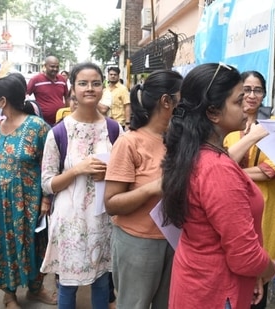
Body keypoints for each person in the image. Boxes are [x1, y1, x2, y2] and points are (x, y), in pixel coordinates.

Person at [161, 63, 275, 309]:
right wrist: (269, 268)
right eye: (237, 101)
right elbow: (244, 255)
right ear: (213, 112)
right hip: (216, 289)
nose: (246, 105)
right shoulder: (216, 169)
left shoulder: (194, 153)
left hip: (197, 279)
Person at [0, 73, 56, 308]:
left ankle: (35, 289)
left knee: (33, 245)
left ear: (4, 100)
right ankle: (9, 295)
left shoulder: (37, 128)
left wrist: (46, 200)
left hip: (27, 201)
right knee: (1, 245)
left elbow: (49, 166)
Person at [104, 69, 183, 309]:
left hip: (175, 239)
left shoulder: (179, 139)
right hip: (138, 243)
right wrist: (154, 188)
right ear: (166, 101)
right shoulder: (130, 143)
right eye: (183, 98)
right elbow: (111, 203)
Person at [41, 62, 117, 309]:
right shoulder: (59, 132)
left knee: (102, 280)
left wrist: (108, 173)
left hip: (103, 217)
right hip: (70, 220)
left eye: (96, 83)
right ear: (72, 88)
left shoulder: (114, 129)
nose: (90, 88)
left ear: (102, 86)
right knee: (67, 283)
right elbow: (47, 184)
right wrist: (77, 170)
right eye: (83, 83)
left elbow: (126, 174)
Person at [224, 71, 275, 309]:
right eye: (246, 90)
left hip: (267, 202)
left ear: (264, 94)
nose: (251, 95)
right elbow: (217, 162)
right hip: (232, 201)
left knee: (261, 262)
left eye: (257, 90)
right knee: (235, 261)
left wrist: (231, 171)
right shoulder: (226, 123)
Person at [27, 56, 70, 126]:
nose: (55, 69)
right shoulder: (36, 80)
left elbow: (67, 97)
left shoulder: (62, 79)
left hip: (60, 121)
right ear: (45, 66)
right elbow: (25, 95)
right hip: (43, 122)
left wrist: (67, 112)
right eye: (52, 66)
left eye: (57, 67)